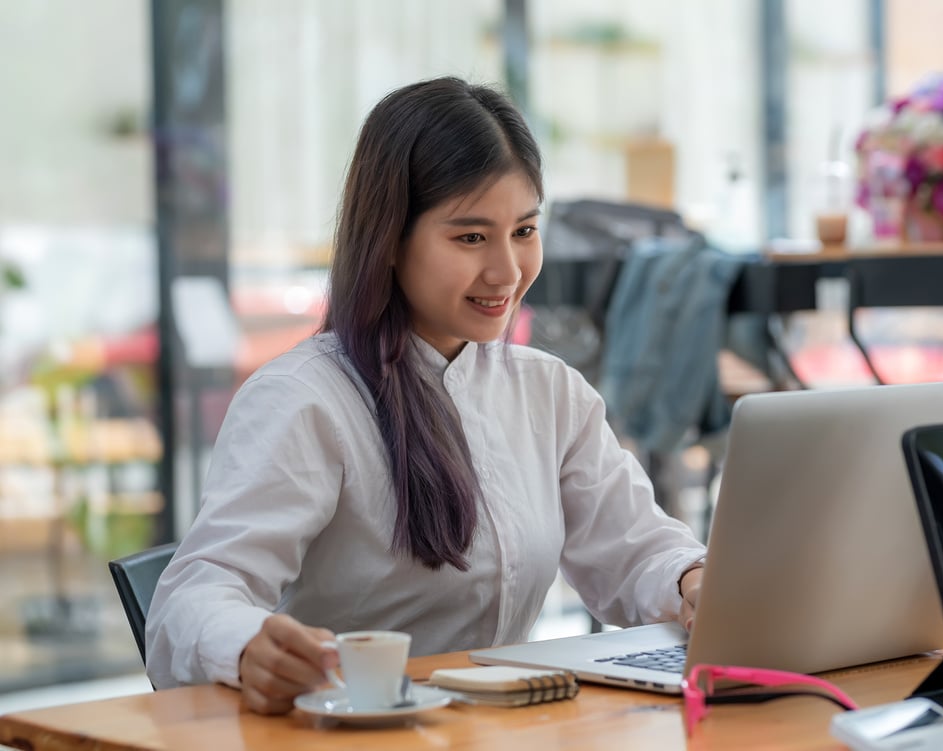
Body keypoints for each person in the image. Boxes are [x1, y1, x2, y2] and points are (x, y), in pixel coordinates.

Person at [145, 76, 706, 715]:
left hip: (498, 732)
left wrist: (691, 578)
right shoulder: (303, 401)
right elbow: (190, 601)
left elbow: (635, 552)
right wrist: (246, 645)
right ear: (388, 239)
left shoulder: (548, 391)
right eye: (470, 237)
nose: (507, 271)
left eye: (524, 230)